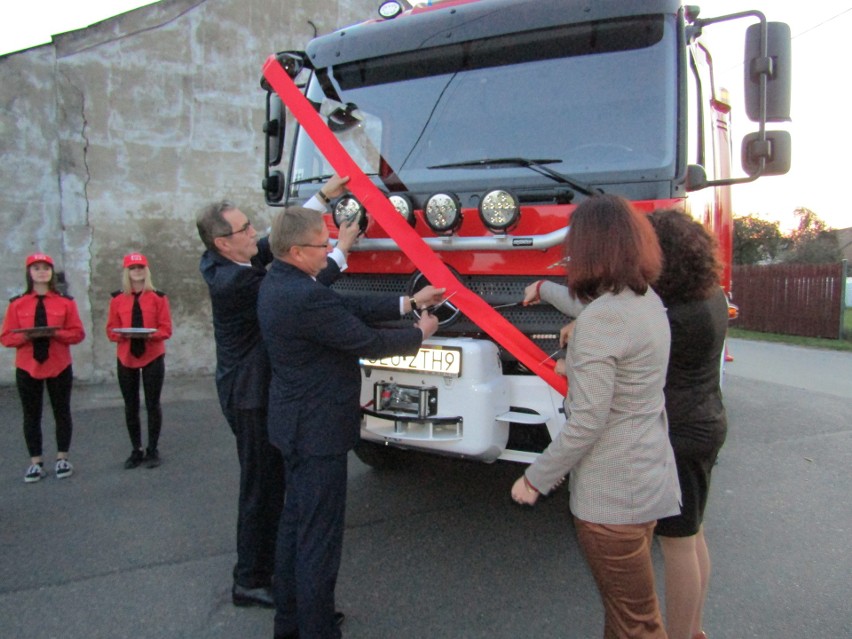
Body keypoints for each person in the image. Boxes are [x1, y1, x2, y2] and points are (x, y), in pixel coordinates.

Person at [522, 208, 728, 639]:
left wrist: (537, 477)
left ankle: (687, 632)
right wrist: (549, 294)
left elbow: (592, 413)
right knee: (688, 540)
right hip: (693, 434)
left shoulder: (636, 315)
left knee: (665, 569)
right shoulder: (686, 300)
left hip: (650, 458)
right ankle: (694, 630)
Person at [257, 205, 443, 639]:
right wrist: (421, 333)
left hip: (292, 424)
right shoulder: (302, 295)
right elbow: (366, 340)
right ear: (298, 251)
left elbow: (344, 303)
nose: (330, 252)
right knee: (319, 538)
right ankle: (318, 628)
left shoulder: (280, 280)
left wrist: (409, 302)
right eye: (323, 245)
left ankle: (290, 622)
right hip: (317, 431)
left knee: (294, 525)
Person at [196, 175, 359, 609]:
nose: (256, 233)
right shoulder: (239, 284)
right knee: (261, 487)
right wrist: (340, 250)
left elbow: (274, 245)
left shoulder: (221, 260)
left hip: (249, 388)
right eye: (245, 229)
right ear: (222, 242)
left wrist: (323, 196)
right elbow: (300, 290)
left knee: (270, 485)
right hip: (250, 395)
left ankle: (267, 570)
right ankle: (249, 578)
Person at [1, 253, 86, 483]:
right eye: (37, 268)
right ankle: (35, 461)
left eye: (46, 268)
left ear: (51, 273)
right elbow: (6, 337)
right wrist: (27, 336)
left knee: (62, 411)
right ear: (29, 273)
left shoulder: (65, 302)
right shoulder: (18, 304)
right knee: (31, 414)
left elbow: (77, 333)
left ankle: (62, 457)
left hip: (58, 363)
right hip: (28, 365)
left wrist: (56, 333)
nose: (41, 272)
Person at [106, 253, 173, 469]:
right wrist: (122, 334)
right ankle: (136, 449)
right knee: (131, 405)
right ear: (127, 272)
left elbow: (166, 329)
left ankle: (153, 448)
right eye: (133, 268)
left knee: (153, 404)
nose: (137, 271)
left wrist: (150, 334)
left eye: (141, 267)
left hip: (152, 353)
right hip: (126, 355)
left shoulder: (158, 298)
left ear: (147, 270)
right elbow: (110, 329)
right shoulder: (117, 299)